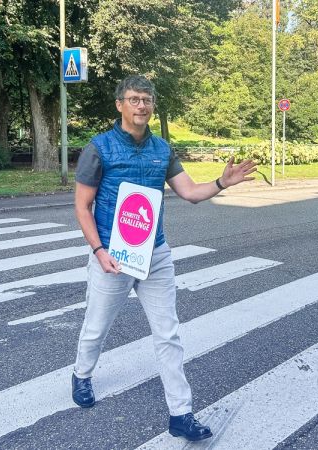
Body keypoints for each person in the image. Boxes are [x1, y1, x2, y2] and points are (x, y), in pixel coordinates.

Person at [72, 74, 257, 442]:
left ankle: (180, 414)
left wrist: (222, 183)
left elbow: (189, 192)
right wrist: (99, 251)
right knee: (96, 326)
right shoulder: (99, 148)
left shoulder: (162, 149)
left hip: (154, 254)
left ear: (153, 106)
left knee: (168, 333)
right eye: (134, 99)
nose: (141, 105)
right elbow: (82, 206)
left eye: (147, 100)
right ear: (120, 105)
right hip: (113, 256)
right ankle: (82, 374)